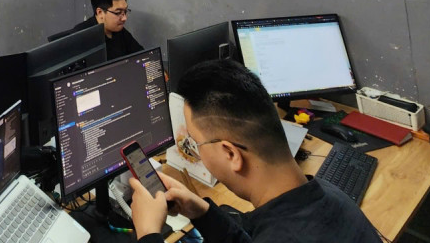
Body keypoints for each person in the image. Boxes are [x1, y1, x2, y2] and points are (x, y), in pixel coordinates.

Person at [128, 59, 379, 243]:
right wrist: (202, 213)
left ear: (231, 154)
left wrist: (148, 234)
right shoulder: (333, 196)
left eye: (195, 143)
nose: (197, 152)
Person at [70, 0, 142, 59]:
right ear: (100, 12)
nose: (124, 18)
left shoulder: (119, 31)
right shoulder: (80, 39)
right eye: (118, 12)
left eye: (125, 11)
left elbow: (141, 56)